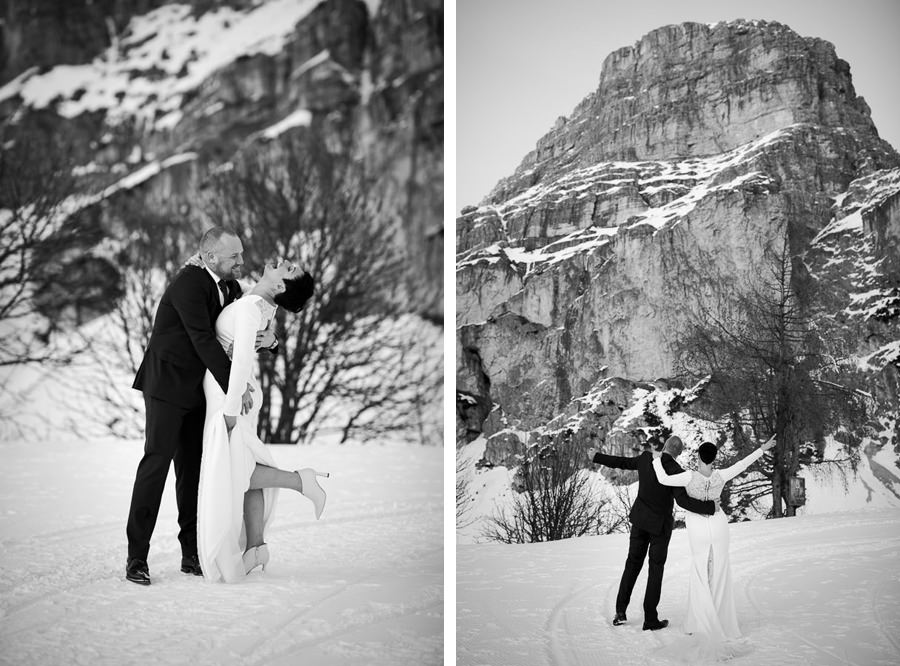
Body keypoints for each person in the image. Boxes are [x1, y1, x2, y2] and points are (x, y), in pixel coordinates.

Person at [125, 227, 274, 586]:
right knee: (156, 465)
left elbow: (239, 331)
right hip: (165, 386)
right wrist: (234, 390)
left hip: (196, 391)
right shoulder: (188, 284)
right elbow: (205, 341)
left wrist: (270, 341)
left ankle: (191, 553)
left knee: (192, 471)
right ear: (210, 258)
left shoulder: (231, 287)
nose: (242, 261)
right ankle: (136, 558)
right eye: (234, 256)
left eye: (241, 254)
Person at [197, 258, 325, 583]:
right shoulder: (262, 304)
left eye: (290, 269)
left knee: (232, 471)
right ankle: (255, 547)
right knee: (242, 465)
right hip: (240, 390)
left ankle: (300, 481)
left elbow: (240, 359)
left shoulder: (254, 305)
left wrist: (229, 408)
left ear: (280, 285)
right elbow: (264, 338)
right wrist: (272, 341)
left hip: (232, 393)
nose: (287, 262)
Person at [651, 435, 775, 653]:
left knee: (700, 570)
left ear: (698, 456)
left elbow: (662, 479)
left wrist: (656, 459)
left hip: (698, 526)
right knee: (719, 571)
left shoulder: (688, 476)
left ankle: (698, 622)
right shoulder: (721, 475)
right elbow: (743, 464)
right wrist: (762, 449)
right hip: (719, 525)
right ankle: (722, 621)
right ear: (714, 458)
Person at [587, 435, 717, 630]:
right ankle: (650, 619)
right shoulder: (676, 470)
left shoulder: (646, 459)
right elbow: (682, 501)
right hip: (660, 527)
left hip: (640, 521)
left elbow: (621, 462)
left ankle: (620, 611)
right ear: (679, 453)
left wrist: (596, 456)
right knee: (655, 570)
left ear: (664, 446)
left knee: (632, 565)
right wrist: (710, 507)